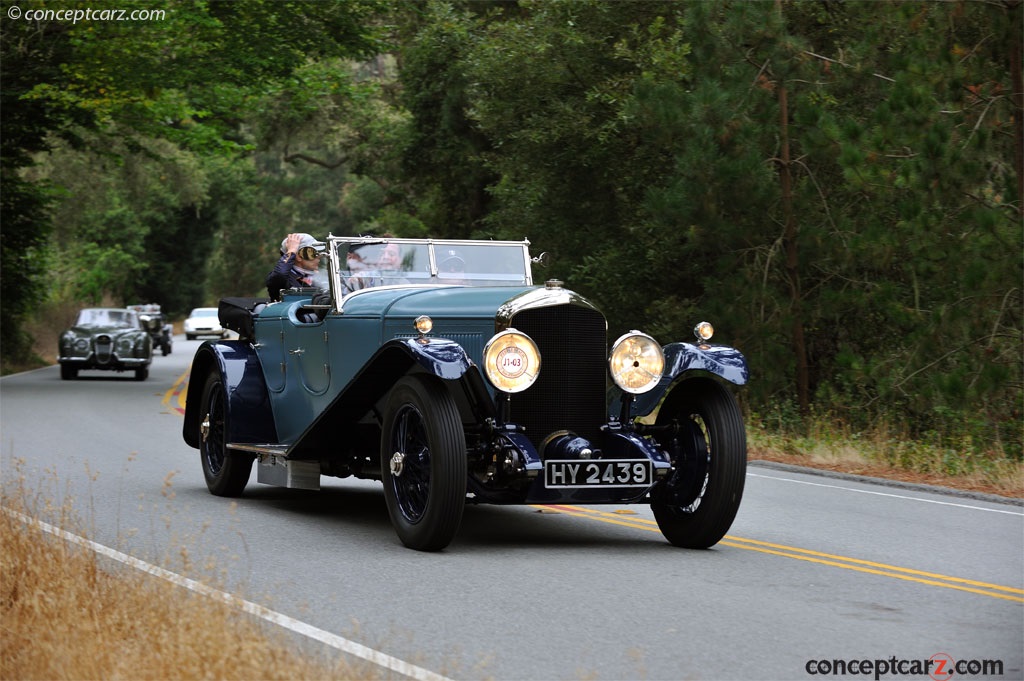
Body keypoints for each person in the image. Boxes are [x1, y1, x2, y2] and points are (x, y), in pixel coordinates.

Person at [266, 232, 323, 301]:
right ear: (298, 257)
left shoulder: (317, 277)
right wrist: (292, 250)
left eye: (318, 252)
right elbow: (280, 274)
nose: (319, 257)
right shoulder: (283, 279)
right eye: (312, 253)